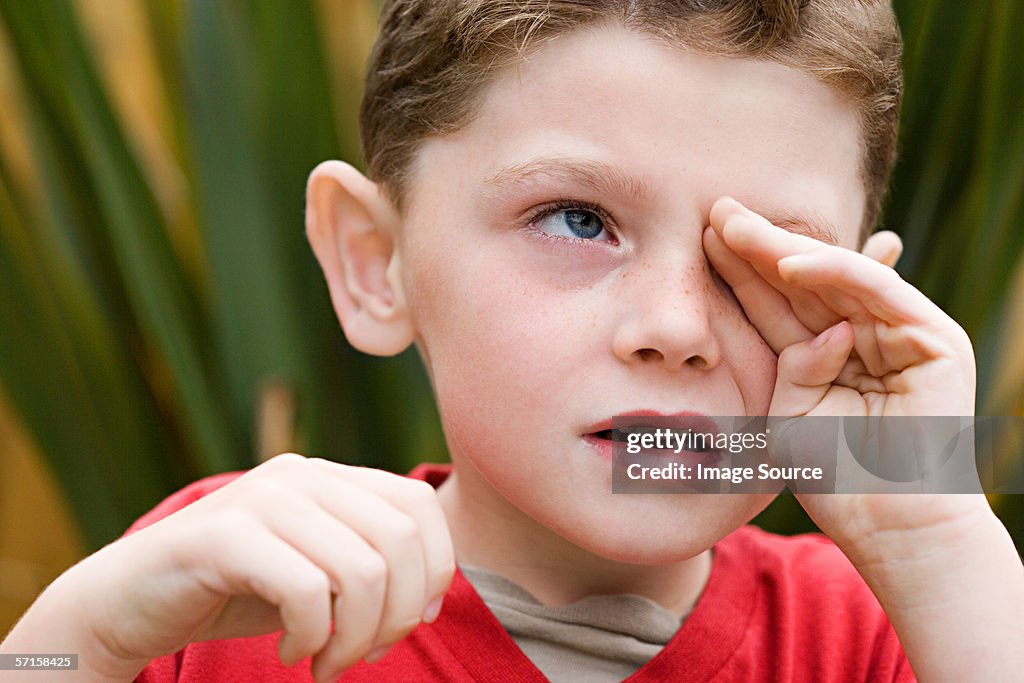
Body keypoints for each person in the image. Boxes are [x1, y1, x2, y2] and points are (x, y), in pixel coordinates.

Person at [3, 1, 1022, 681]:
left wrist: (934, 542)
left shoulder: (883, 634)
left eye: (759, 259)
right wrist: (79, 640)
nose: (674, 328)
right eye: (577, 219)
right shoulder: (230, 584)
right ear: (374, 260)